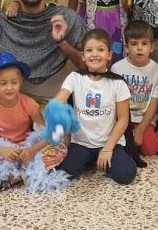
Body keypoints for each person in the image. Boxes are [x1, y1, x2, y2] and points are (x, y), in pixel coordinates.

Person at [0, 53, 72, 192]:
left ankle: (9, 178)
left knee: (59, 149)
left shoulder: (29, 103)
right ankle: (21, 176)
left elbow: (46, 134)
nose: (9, 88)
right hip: (1, 154)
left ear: (21, 82)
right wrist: (1, 150)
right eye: (3, 83)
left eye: (14, 82)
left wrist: (32, 150)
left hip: (25, 151)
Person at [53, 29, 137, 185]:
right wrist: (56, 107)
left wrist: (108, 148)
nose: (95, 54)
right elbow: (61, 97)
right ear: (83, 56)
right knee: (62, 174)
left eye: (100, 50)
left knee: (126, 174)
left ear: (109, 54)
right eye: (89, 50)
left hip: (108, 142)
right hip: (81, 143)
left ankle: (100, 158)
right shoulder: (75, 77)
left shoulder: (118, 83)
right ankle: (88, 160)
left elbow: (123, 119)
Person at [111, 21, 158, 157]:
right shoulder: (117, 68)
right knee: (121, 148)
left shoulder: (157, 70)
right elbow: (114, 102)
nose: (139, 48)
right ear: (126, 48)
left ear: (151, 47)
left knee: (149, 149)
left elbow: (154, 103)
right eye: (134, 44)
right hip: (123, 119)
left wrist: (140, 130)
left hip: (144, 118)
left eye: (144, 44)